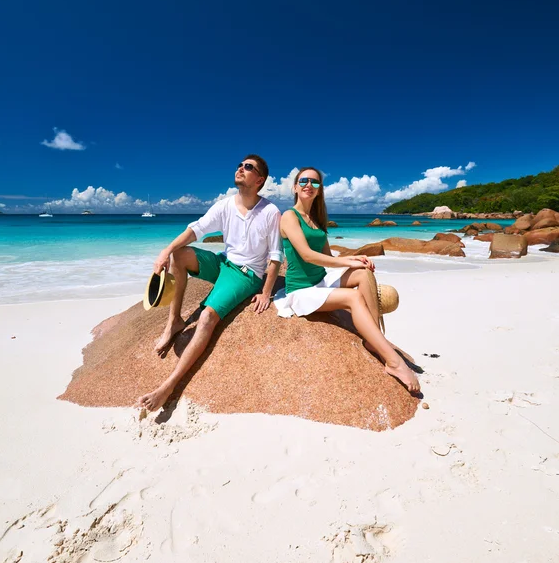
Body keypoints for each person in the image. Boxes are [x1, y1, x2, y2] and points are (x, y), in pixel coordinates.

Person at [138, 155, 283, 411]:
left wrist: (266, 292)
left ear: (259, 180)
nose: (241, 168)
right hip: (223, 263)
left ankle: (168, 385)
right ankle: (174, 322)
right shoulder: (226, 205)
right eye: (240, 164)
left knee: (206, 318)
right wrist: (165, 250)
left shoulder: (270, 212)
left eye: (248, 167)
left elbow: (275, 256)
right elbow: (196, 229)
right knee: (179, 255)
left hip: (246, 275)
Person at [274, 167, 420, 393]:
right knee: (352, 297)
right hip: (301, 291)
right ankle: (393, 362)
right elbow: (307, 255)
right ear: (294, 187)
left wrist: (355, 258)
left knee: (363, 272)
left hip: (319, 282)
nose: (308, 185)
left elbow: (328, 258)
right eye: (303, 180)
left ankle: (374, 339)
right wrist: (347, 263)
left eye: (315, 182)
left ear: (319, 190)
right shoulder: (289, 216)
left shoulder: (315, 220)